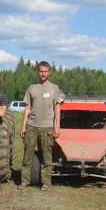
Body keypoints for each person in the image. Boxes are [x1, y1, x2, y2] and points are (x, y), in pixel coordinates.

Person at [19, 61, 61, 191]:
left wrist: (57, 126)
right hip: (32, 125)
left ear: (49, 72)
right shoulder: (32, 88)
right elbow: (27, 107)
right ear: (38, 72)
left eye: (45, 71)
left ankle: (45, 182)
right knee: (27, 155)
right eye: (41, 71)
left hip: (47, 126)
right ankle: (25, 181)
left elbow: (57, 108)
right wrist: (23, 126)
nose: (43, 74)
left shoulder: (54, 88)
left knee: (47, 156)